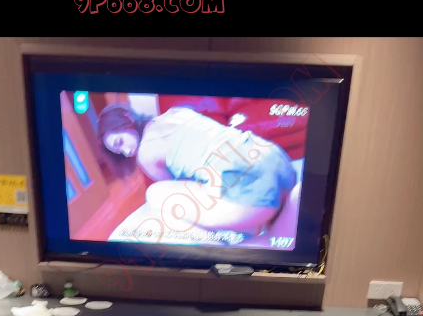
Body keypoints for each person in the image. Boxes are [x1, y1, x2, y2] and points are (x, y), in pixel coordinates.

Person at [98, 102, 296, 239]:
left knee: (155, 194)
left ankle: (250, 241)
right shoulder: (176, 112)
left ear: (127, 118)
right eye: (119, 152)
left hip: (251, 189)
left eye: (120, 142)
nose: (126, 152)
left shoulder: (145, 153)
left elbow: (182, 189)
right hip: (276, 159)